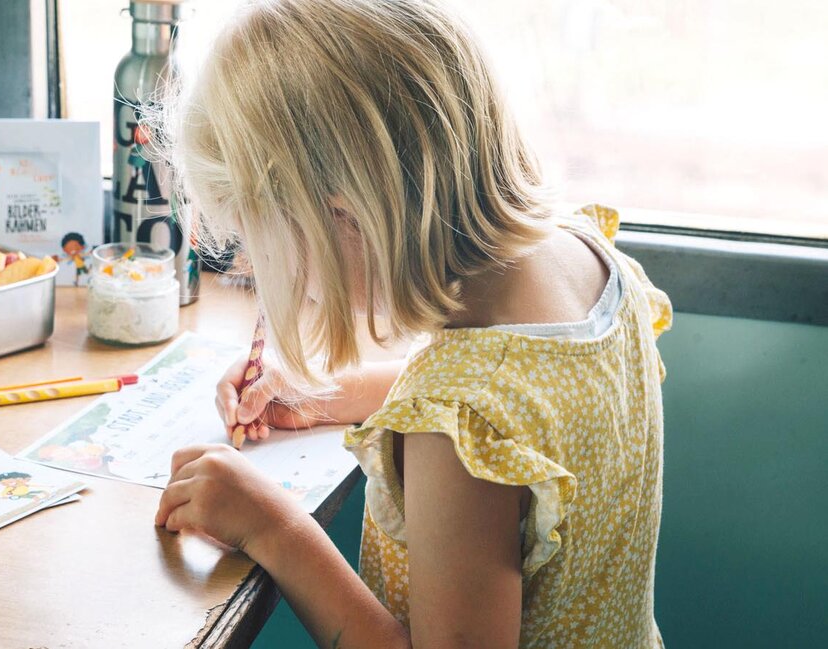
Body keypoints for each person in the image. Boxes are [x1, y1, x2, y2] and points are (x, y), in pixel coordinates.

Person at [150, 1, 673, 647]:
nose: (257, 266)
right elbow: (522, 395)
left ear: (345, 218)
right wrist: (327, 395)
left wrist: (273, 528)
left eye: (260, 240)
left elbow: (477, 417)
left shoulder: (456, 436)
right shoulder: (585, 260)